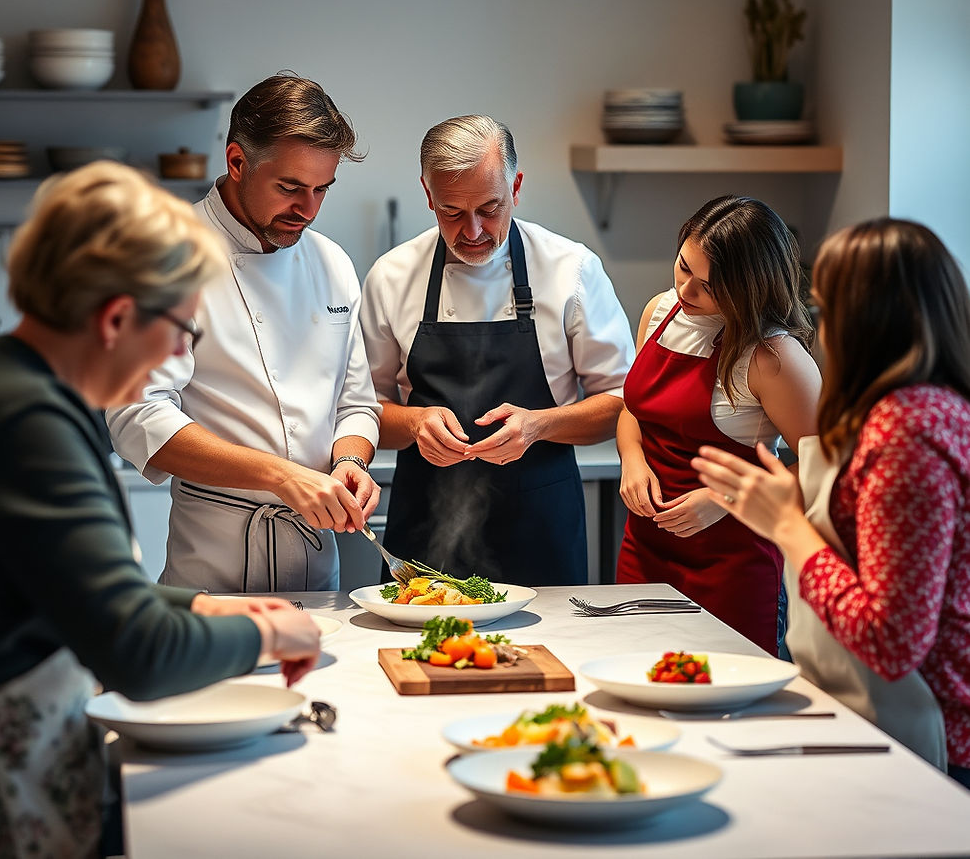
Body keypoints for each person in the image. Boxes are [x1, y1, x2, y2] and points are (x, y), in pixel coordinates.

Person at [0, 163, 322, 859]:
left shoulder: (21, 389)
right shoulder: (29, 424)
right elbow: (138, 653)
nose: (180, 352)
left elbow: (75, 587)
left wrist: (205, 607)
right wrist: (274, 635)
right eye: (182, 330)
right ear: (115, 319)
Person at [694, 218, 970, 787]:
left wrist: (788, 526)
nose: (821, 327)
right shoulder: (925, 408)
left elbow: (891, 642)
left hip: (924, 743)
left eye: (827, 307)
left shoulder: (907, 437)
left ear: (863, 320)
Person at [107, 75, 382, 593]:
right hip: (211, 575)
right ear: (237, 162)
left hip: (318, 580)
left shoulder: (333, 263)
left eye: (322, 188)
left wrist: (348, 461)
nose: (309, 209)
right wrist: (281, 476)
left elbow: (356, 404)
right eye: (290, 187)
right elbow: (137, 416)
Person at [360, 115, 634, 586]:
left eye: (490, 208)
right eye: (451, 212)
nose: (472, 231)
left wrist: (540, 425)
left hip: (540, 528)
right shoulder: (392, 276)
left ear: (516, 187)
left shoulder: (572, 271)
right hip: (424, 528)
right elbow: (360, 411)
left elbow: (622, 404)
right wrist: (413, 423)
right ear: (427, 195)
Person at [617, 195, 822, 655]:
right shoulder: (659, 312)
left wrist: (725, 498)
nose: (686, 291)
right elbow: (634, 409)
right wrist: (631, 461)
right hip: (644, 549)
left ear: (750, 287)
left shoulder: (775, 358)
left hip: (732, 564)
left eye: (708, 286)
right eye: (684, 266)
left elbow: (823, 470)